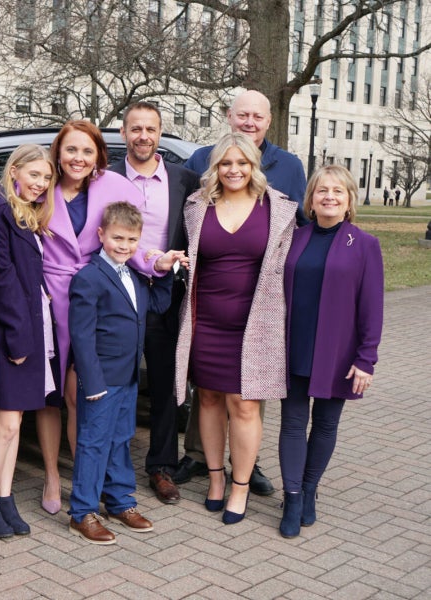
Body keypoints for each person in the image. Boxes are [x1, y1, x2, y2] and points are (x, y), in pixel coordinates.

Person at [177, 89, 307, 496]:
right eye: (227, 163)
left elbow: (302, 247)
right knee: (210, 400)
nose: (235, 169)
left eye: (243, 163)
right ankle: (214, 478)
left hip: (257, 321)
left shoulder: (281, 201)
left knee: (247, 404)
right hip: (207, 321)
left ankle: (241, 483)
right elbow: (178, 242)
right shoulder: (197, 203)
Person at [37, 120, 140, 515]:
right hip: (48, 299)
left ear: (98, 156)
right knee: (49, 395)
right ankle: (51, 474)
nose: (78, 158)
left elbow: (133, 240)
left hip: (92, 301)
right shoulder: (40, 187)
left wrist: (156, 261)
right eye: (70, 150)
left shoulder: (110, 189)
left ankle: (87, 476)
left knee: (81, 393)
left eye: (87, 151)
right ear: (58, 153)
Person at [278, 165, 383, 538]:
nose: (329, 197)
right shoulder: (295, 237)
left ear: (350, 200)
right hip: (293, 344)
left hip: (337, 350)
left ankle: (308, 490)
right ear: (311, 198)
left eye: (338, 191)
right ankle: (291, 498)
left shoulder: (365, 244)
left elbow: (372, 306)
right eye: (322, 190)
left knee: (324, 424)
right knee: (291, 423)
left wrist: (365, 359)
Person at [108, 102, 200, 505]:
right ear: (124, 132)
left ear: (160, 132)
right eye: (135, 128)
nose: (143, 135)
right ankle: (111, 465)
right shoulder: (107, 178)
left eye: (151, 128)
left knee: (164, 385)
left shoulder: (185, 180)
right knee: (118, 380)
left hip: (165, 291)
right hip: (118, 287)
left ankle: (162, 467)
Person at [67, 202, 173, 544]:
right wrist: (91, 382)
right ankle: (82, 512)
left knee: (120, 440)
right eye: (117, 238)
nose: (124, 245)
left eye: (131, 239)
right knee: (93, 443)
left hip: (127, 376)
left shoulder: (137, 277)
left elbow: (158, 306)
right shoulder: (88, 277)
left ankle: (119, 502)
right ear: (101, 235)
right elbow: (81, 335)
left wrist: (167, 271)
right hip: (101, 379)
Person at [0, 144, 58, 538]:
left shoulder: (26, 213)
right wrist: (19, 338)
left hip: (31, 325)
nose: (40, 184)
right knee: (5, 424)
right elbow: (2, 279)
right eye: (34, 175)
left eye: (45, 178)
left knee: (17, 420)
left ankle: (5, 498)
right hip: (12, 330)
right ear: (14, 172)